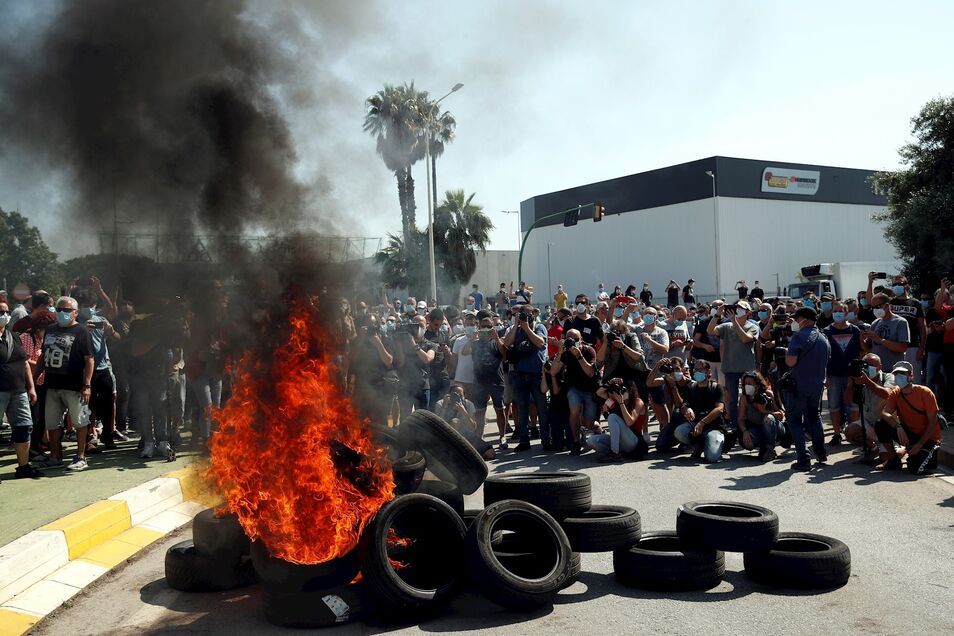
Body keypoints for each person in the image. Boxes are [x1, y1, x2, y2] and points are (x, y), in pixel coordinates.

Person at [35, 296, 94, 471]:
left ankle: (80, 456)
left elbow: (89, 359)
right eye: (59, 309)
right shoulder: (51, 329)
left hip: (74, 386)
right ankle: (55, 456)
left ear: (75, 312)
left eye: (66, 310)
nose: (62, 313)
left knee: (80, 421)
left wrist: (87, 385)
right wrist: (34, 376)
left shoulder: (82, 331)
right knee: (52, 422)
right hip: (52, 384)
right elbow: (43, 356)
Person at [784, 307, 832, 472]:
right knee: (814, 417)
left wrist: (785, 355)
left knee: (795, 421)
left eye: (797, 319)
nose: (795, 322)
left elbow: (790, 362)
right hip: (817, 385)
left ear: (804, 319)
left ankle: (803, 459)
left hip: (799, 385)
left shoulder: (798, 337)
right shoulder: (824, 338)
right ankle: (820, 453)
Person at [875, 361, 942, 475]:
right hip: (909, 434)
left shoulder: (925, 392)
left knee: (914, 468)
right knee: (880, 424)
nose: (898, 377)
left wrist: (919, 444)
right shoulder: (895, 393)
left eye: (902, 373)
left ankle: (922, 454)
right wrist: (898, 426)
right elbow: (884, 413)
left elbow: (932, 423)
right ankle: (893, 460)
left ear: (911, 375)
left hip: (928, 438)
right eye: (896, 374)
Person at [1, 300, 41, 479]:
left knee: (24, 427)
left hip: (19, 391)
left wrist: (31, 387)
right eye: (1, 312)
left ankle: (23, 466)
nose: (4, 315)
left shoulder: (13, 336)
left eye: (6, 312)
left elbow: (24, 362)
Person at [503, 304, 549, 451]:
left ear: (534, 315)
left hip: (536, 375)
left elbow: (540, 342)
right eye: (523, 314)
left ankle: (546, 441)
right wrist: (517, 325)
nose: (526, 317)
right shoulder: (516, 329)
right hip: (520, 375)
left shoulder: (539, 327)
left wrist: (527, 328)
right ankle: (524, 441)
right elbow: (506, 343)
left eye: (529, 314)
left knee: (542, 409)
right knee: (522, 409)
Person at [708, 300, 759, 430]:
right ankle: (735, 423)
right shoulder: (726, 326)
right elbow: (710, 330)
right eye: (736, 308)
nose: (737, 310)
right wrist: (717, 315)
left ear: (748, 312)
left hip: (747, 369)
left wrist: (734, 322)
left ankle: (751, 420)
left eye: (741, 309)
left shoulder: (753, 326)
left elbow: (746, 338)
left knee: (749, 395)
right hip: (730, 368)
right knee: (732, 398)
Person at [551, 328, 598, 455]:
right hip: (574, 388)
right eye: (569, 339)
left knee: (588, 422)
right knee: (574, 411)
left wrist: (579, 356)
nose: (572, 342)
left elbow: (590, 372)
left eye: (575, 339)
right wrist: (560, 352)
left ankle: (598, 431)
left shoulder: (589, 350)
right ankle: (576, 441)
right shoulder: (565, 353)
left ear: (581, 339)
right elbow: (553, 371)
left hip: (589, 389)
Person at [823, 301, 862, 446]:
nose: (837, 313)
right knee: (834, 405)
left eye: (840, 310)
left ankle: (852, 433)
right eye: (835, 311)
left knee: (853, 406)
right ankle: (837, 433)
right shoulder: (826, 331)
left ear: (846, 313)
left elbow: (862, 351)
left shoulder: (855, 330)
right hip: (833, 374)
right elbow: (823, 356)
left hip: (852, 375)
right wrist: (825, 375)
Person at [844, 353, 895, 461]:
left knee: (886, 459)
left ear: (880, 367)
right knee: (850, 431)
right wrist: (851, 384)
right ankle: (873, 448)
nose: (868, 368)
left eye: (872, 365)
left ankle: (898, 449)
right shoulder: (860, 380)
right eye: (866, 365)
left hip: (884, 426)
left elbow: (887, 394)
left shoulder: (888, 377)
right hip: (868, 423)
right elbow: (848, 401)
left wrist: (867, 382)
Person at [673, 359, 726, 462]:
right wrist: (687, 409)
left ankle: (711, 445)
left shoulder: (716, 387)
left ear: (708, 371)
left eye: (700, 370)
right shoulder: (690, 387)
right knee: (679, 431)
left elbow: (719, 409)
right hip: (695, 425)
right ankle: (699, 444)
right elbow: (684, 404)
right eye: (695, 370)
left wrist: (702, 423)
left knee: (712, 457)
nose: (697, 372)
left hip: (713, 426)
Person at [348, 314, 395, 427]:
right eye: (366, 326)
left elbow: (389, 362)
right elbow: (352, 359)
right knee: (360, 421)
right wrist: (360, 339)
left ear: (377, 326)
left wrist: (378, 344)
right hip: (362, 387)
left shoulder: (385, 340)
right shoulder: (356, 340)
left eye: (372, 325)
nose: (369, 328)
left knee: (380, 421)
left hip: (380, 387)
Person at [470, 312, 508, 448]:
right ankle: (479, 437)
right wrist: (471, 339)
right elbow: (466, 353)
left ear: (493, 327)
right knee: (480, 411)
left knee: (499, 409)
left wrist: (497, 339)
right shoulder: (475, 343)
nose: (486, 329)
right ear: (479, 327)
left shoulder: (496, 342)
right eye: (483, 326)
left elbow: (504, 355)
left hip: (496, 381)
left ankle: (502, 436)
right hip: (480, 381)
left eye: (488, 326)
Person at [591, 378, 648, 462]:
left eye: (623, 390)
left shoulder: (638, 402)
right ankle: (615, 451)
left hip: (633, 441)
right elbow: (599, 393)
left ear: (630, 391)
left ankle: (615, 453)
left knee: (612, 417)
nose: (621, 393)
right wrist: (610, 382)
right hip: (621, 442)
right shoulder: (615, 400)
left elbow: (629, 422)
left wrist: (621, 403)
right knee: (592, 440)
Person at [394, 314, 436, 421]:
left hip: (422, 386)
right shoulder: (404, 344)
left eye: (420, 325)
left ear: (426, 327)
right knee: (405, 418)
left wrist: (413, 344)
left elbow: (427, 359)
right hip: (406, 385)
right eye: (414, 325)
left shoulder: (431, 345)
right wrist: (400, 343)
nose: (417, 328)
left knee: (423, 418)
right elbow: (400, 363)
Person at [738, 371, 785, 461]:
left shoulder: (767, 394)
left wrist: (763, 411)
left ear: (757, 385)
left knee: (768, 418)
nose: (747, 386)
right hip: (756, 428)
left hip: (774, 428)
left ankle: (770, 449)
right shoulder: (744, 398)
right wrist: (745, 431)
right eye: (745, 384)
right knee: (748, 443)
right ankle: (764, 448)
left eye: (750, 383)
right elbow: (740, 419)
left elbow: (780, 416)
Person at [864, 292, 909, 372]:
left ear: (887, 305)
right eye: (873, 307)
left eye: (877, 306)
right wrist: (861, 339)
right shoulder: (875, 323)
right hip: (877, 370)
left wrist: (880, 340)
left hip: (893, 370)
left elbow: (902, 347)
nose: (875, 310)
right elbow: (868, 348)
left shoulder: (900, 322)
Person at [423, 308, 452, 411]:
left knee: (443, 407)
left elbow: (449, 359)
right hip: (429, 377)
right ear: (429, 321)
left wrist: (447, 352)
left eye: (440, 325)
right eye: (435, 325)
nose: (438, 328)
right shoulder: (424, 336)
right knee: (431, 407)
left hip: (443, 376)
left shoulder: (444, 335)